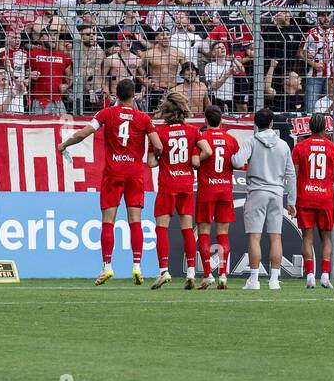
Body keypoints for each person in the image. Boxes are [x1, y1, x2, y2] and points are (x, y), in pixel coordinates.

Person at [57, 78, 161, 285]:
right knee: (135, 221)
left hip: (113, 173)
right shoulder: (144, 118)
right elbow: (158, 145)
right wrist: (152, 158)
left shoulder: (106, 113)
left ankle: (107, 267)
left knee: (108, 221)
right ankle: (137, 267)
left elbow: (84, 133)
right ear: (133, 95)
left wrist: (64, 144)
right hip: (134, 174)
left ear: (116, 94)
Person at [230, 108, 296, 291]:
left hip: (257, 191)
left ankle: (254, 280)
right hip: (276, 192)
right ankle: (274, 280)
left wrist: (235, 156)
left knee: (254, 237)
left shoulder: (251, 141)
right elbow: (291, 174)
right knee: (276, 237)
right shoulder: (283, 145)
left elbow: (236, 162)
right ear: (272, 123)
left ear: (256, 124)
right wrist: (291, 200)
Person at [149, 92, 202, 289]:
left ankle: (164, 271)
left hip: (168, 185)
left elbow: (151, 163)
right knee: (187, 229)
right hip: (186, 184)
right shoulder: (192, 131)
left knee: (161, 228)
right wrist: (195, 158)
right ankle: (190, 272)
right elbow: (207, 151)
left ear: (166, 111)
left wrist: (159, 153)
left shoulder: (159, 133)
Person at [292, 113, 334, 289]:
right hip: (325, 198)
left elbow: (295, 173)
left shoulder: (300, 147)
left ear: (309, 127)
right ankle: (325, 275)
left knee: (307, 237)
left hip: (305, 196)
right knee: (326, 238)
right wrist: (328, 179)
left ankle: (309, 276)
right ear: (325, 128)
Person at [195, 105, 240, 289]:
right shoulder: (231, 140)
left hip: (207, 190)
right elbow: (237, 162)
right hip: (225, 190)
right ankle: (223, 275)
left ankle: (207, 274)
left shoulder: (201, 138)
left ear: (205, 120)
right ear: (221, 120)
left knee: (204, 232)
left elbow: (196, 162)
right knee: (223, 233)